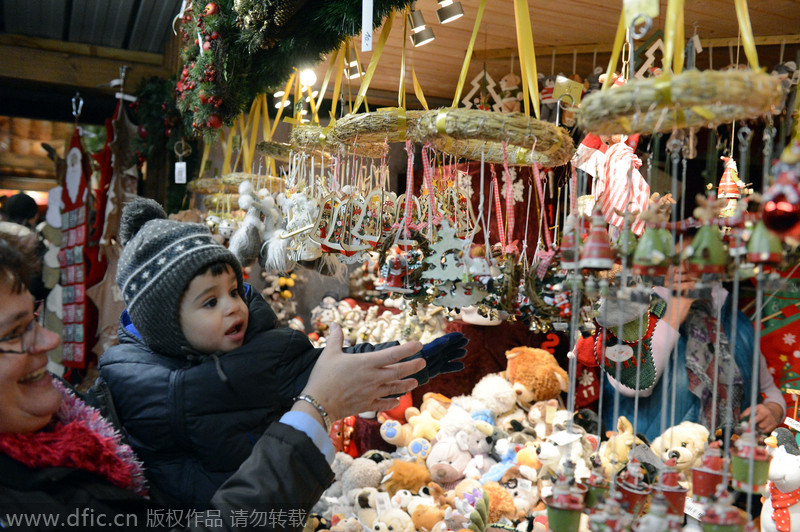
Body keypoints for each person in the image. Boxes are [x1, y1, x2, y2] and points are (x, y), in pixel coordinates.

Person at [0, 232, 428, 531]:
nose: (50, 340)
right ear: (167, 324)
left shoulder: (76, 424)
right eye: (16, 332)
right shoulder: (28, 499)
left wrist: (419, 359)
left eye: (33, 318)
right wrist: (314, 410)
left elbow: (318, 365)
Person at [94, 198, 468, 509]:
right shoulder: (129, 379)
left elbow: (340, 365)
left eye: (234, 291)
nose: (233, 306)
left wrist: (411, 361)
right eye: (210, 302)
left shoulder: (267, 352)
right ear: (164, 323)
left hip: (269, 504)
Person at [578, 257, 786, 443]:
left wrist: (774, 410)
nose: (689, 266)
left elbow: (768, 389)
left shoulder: (736, 321)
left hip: (722, 464)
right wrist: (674, 312)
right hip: (646, 466)